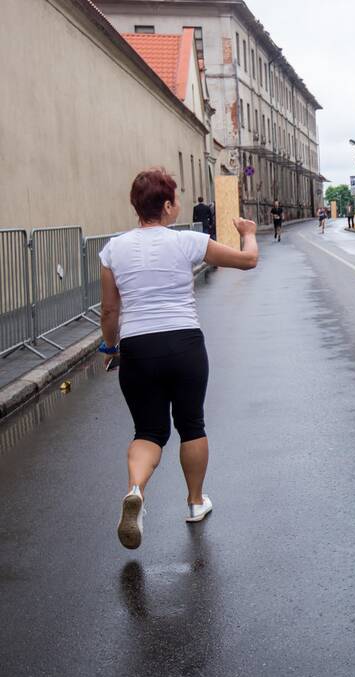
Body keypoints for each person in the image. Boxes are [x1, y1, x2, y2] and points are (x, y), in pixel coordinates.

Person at [99, 168, 260, 550]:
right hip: (184, 343)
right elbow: (247, 261)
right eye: (176, 199)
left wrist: (112, 348)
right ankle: (194, 502)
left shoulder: (112, 250)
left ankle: (136, 489)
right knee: (191, 424)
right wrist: (249, 233)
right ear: (168, 205)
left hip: (138, 348)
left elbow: (109, 312)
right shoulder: (187, 241)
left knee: (148, 432)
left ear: (135, 206)